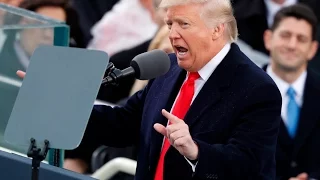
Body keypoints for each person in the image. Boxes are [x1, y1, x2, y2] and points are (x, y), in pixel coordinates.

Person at [17, 0, 282, 179]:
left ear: (217, 30)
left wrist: (197, 152)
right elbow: (124, 122)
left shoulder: (258, 88)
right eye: (169, 24)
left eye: (183, 24)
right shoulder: (167, 67)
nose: (172, 34)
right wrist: (59, 104)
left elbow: (249, 166)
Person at [262, 4, 320, 180]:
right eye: (285, 36)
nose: (292, 45)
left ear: (312, 49)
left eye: (301, 39)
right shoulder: (240, 90)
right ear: (268, 39)